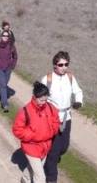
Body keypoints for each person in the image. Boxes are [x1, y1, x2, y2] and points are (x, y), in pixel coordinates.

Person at [41, 51, 83, 183]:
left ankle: (48, 158)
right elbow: (39, 98)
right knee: (54, 152)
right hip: (51, 119)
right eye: (61, 64)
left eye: (66, 64)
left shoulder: (70, 77)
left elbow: (78, 91)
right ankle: (51, 179)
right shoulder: (47, 79)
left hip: (66, 117)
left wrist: (78, 101)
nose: (64, 67)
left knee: (64, 147)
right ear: (54, 65)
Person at [12, 82, 60, 183]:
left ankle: (25, 179)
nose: (44, 102)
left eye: (45, 100)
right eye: (41, 100)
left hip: (45, 146)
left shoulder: (51, 108)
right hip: (31, 146)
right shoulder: (25, 111)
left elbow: (56, 120)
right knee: (41, 177)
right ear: (34, 97)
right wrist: (32, 135)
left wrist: (53, 130)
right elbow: (17, 130)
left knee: (34, 168)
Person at [0, 30, 18, 112]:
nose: (5, 37)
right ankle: (5, 104)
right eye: (4, 35)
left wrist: (13, 65)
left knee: (4, 84)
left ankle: (2, 95)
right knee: (3, 85)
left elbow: (15, 56)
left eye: (7, 36)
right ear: (1, 36)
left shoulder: (11, 46)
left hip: (8, 68)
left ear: (9, 37)